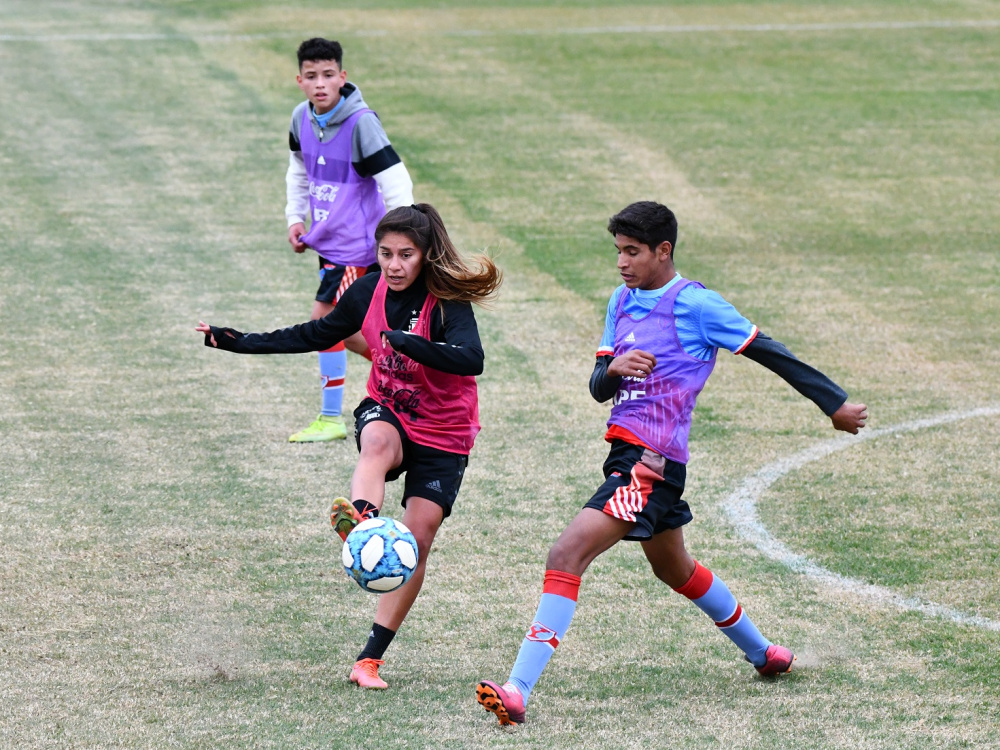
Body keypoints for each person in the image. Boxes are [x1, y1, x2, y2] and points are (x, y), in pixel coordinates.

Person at [476, 201, 868, 726]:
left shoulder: (698, 306)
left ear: (664, 251)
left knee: (566, 554)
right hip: (625, 454)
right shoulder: (622, 299)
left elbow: (768, 350)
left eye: (632, 252)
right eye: (618, 251)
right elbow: (599, 388)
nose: (622, 262)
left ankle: (517, 690)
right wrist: (613, 369)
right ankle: (765, 654)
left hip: (649, 464)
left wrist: (834, 403)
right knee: (673, 567)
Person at [198, 203, 501, 690]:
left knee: (417, 541)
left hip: (446, 433)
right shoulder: (367, 290)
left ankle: (369, 661)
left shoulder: (447, 302)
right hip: (390, 408)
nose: (395, 265)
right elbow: (314, 334)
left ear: (425, 256)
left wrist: (408, 344)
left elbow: (471, 360)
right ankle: (361, 520)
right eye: (385, 254)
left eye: (406, 255)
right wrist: (237, 341)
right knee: (376, 442)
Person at [284, 37, 414, 443]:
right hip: (329, 246)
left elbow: (395, 180)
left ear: (343, 77)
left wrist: (406, 237)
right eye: (311, 76)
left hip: (358, 249)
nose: (320, 83)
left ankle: (397, 384)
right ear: (300, 80)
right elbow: (298, 172)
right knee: (338, 327)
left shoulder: (361, 124)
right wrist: (295, 217)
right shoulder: (300, 120)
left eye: (328, 75)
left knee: (325, 324)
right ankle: (406, 377)